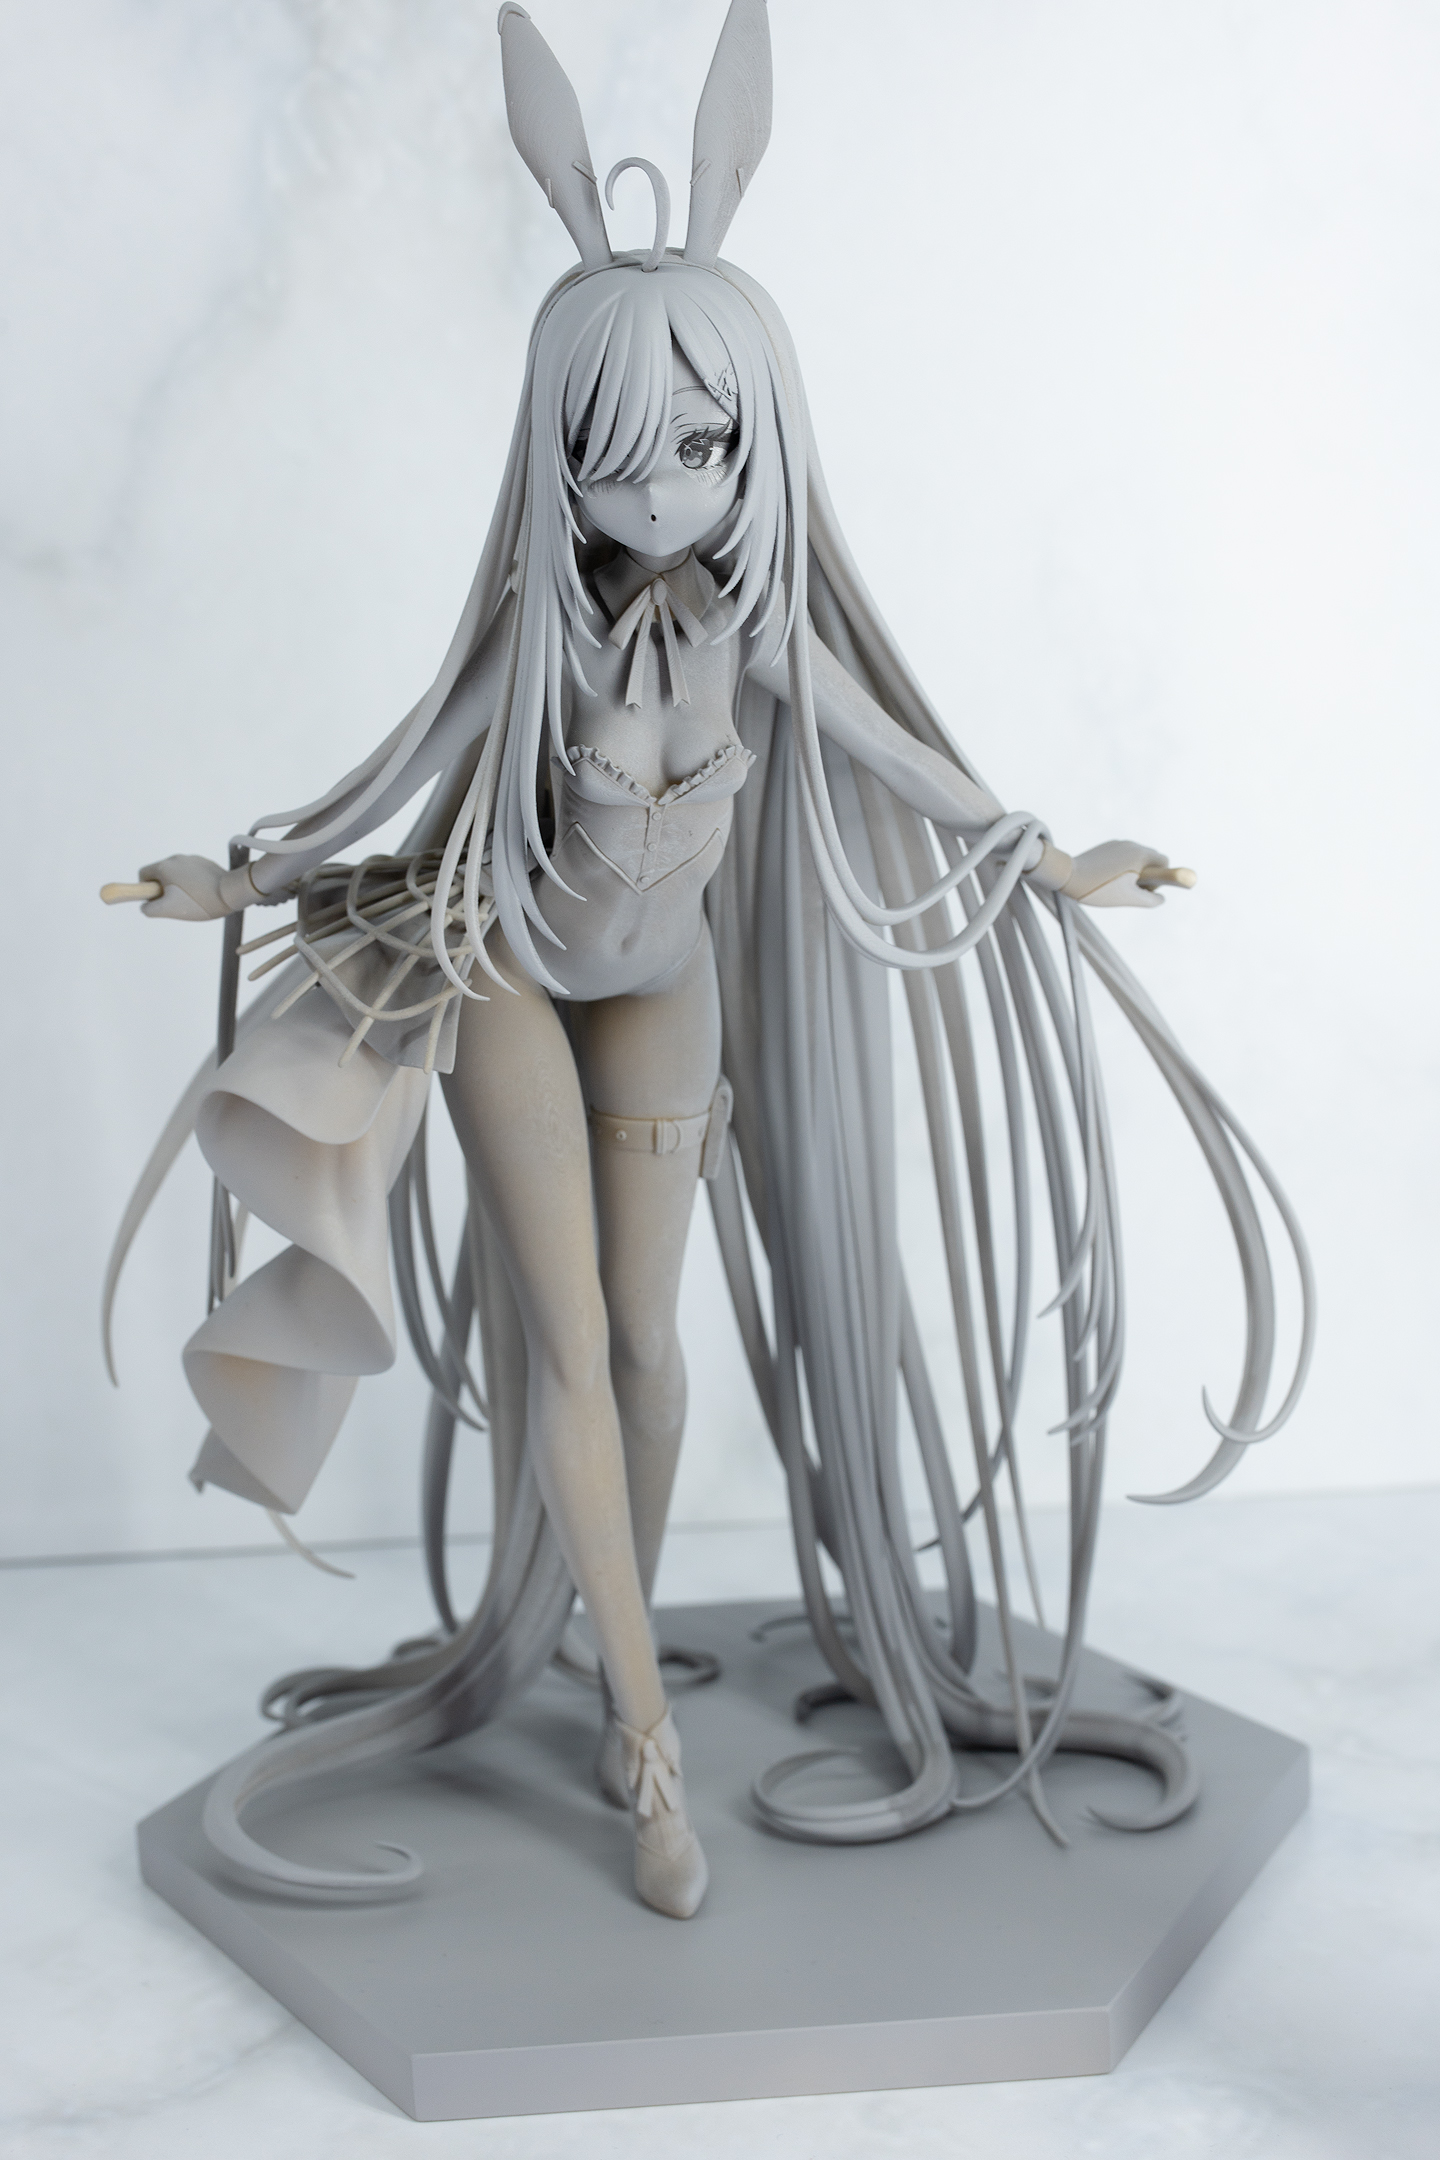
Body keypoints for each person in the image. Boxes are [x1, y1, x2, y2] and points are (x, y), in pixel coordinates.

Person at [105, 2, 1311, 1921]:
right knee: (574, 1345)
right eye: (613, 452)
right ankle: (647, 1734)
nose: (659, 488)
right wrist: (236, 877)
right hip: (513, 974)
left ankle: (611, 1640)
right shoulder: (541, 644)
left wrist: (1046, 855)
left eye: (700, 443)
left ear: (758, 434)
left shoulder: (747, 636)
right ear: (557, 452)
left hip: (662, 988)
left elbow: (898, 752)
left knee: (655, 1358)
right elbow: (398, 768)